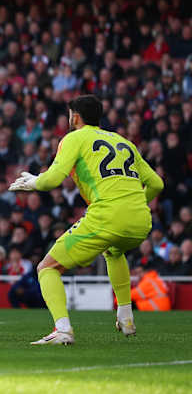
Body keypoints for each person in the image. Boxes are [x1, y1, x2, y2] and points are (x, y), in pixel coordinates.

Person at [9, 95, 164, 345]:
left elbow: (52, 179)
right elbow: (157, 183)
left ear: (75, 116)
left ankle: (63, 331)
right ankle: (126, 317)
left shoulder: (74, 138)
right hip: (140, 220)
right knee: (114, 251)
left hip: (107, 216)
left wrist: (33, 182)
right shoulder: (123, 141)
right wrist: (134, 205)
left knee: (46, 268)